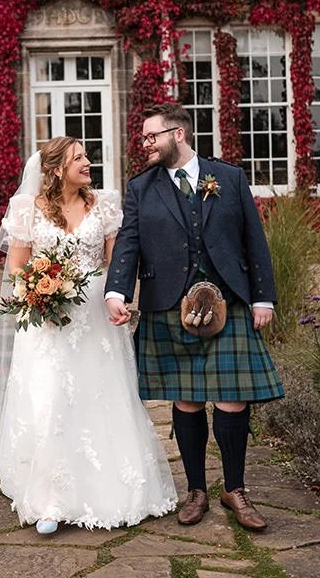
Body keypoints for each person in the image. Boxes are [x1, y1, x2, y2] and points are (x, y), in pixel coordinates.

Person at [0, 136, 177, 535]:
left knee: (100, 396)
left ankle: (114, 489)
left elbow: (117, 261)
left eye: (87, 156)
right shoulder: (27, 209)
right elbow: (16, 267)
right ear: (55, 169)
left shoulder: (103, 204)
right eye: (79, 158)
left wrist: (120, 296)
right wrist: (37, 291)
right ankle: (51, 498)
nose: (88, 162)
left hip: (94, 319)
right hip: (47, 324)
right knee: (50, 401)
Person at [104, 103, 284, 532]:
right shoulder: (142, 188)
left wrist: (264, 299)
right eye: (144, 137)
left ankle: (235, 489)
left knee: (231, 398)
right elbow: (128, 243)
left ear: (178, 135)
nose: (145, 144)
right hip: (169, 303)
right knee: (185, 400)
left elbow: (253, 241)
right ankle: (196, 490)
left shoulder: (230, 178)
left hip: (231, 302)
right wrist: (117, 290)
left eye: (152, 136)